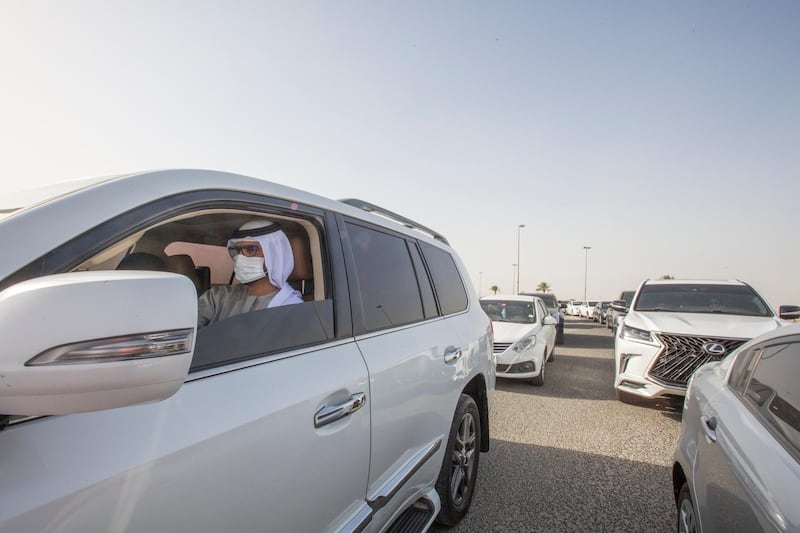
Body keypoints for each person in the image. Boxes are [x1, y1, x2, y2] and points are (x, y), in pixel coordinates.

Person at [198, 220, 303, 327]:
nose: (240, 257)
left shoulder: (290, 308)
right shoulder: (218, 296)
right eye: (237, 251)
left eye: (251, 249)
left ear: (273, 255)